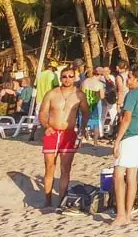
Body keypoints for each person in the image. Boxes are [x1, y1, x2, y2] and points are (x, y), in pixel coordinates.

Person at [38, 66, 89, 210]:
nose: (67, 79)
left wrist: (82, 130)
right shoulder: (52, 94)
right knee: (49, 166)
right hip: (52, 132)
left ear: (75, 77)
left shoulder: (79, 95)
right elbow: (42, 112)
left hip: (68, 133)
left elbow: (86, 113)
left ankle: (61, 200)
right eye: (64, 76)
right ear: (60, 78)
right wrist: (46, 126)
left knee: (65, 168)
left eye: (70, 76)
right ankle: (47, 200)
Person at [111, 66, 138, 226]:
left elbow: (126, 119)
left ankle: (121, 214)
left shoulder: (132, 94)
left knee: (118, 175)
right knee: (132, 176)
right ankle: (127, 213)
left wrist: (117, 140)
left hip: (130, 137)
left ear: (137, 79)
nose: (127, 80)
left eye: (129, 77)